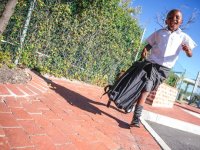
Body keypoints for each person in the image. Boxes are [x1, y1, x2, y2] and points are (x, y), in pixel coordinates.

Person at [130, 9, 197, 127]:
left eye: (177, 17)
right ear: (166, 20)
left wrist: (188, 51)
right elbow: (149, 45)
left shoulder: (183, 37)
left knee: (147, 89)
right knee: (146, 88)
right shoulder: (160, 33)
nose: (174, 19)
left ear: (181, 21)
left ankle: (131, 103)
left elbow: (190, 54)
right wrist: (145, 50)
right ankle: (136, 118)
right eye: (170, 17)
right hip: (152, 64)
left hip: (164, 70)